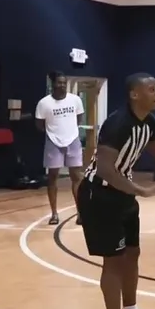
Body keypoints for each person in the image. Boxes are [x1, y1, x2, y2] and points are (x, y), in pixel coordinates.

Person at [79, 73, 155, 309]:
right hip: (100, 195)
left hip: (122, 195)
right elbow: (105, 170)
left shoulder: (150, 123)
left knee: (132, 255)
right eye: (151, 89)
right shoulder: (118, 124)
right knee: (113, 261)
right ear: (134, 94)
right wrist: (143, 190)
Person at [36, 72, 86, 226]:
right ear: (53, 84)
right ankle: (54, 214)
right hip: (53, 142)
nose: (62, 85)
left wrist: (69, 132)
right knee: (52, 177)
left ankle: (81, 213)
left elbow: (79, 118)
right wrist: (54, 133)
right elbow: (39, 124)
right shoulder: (44, 103)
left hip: (73, 140)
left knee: (76, 176)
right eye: (59, 82)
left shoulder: (75, 100)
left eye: (64, 83)